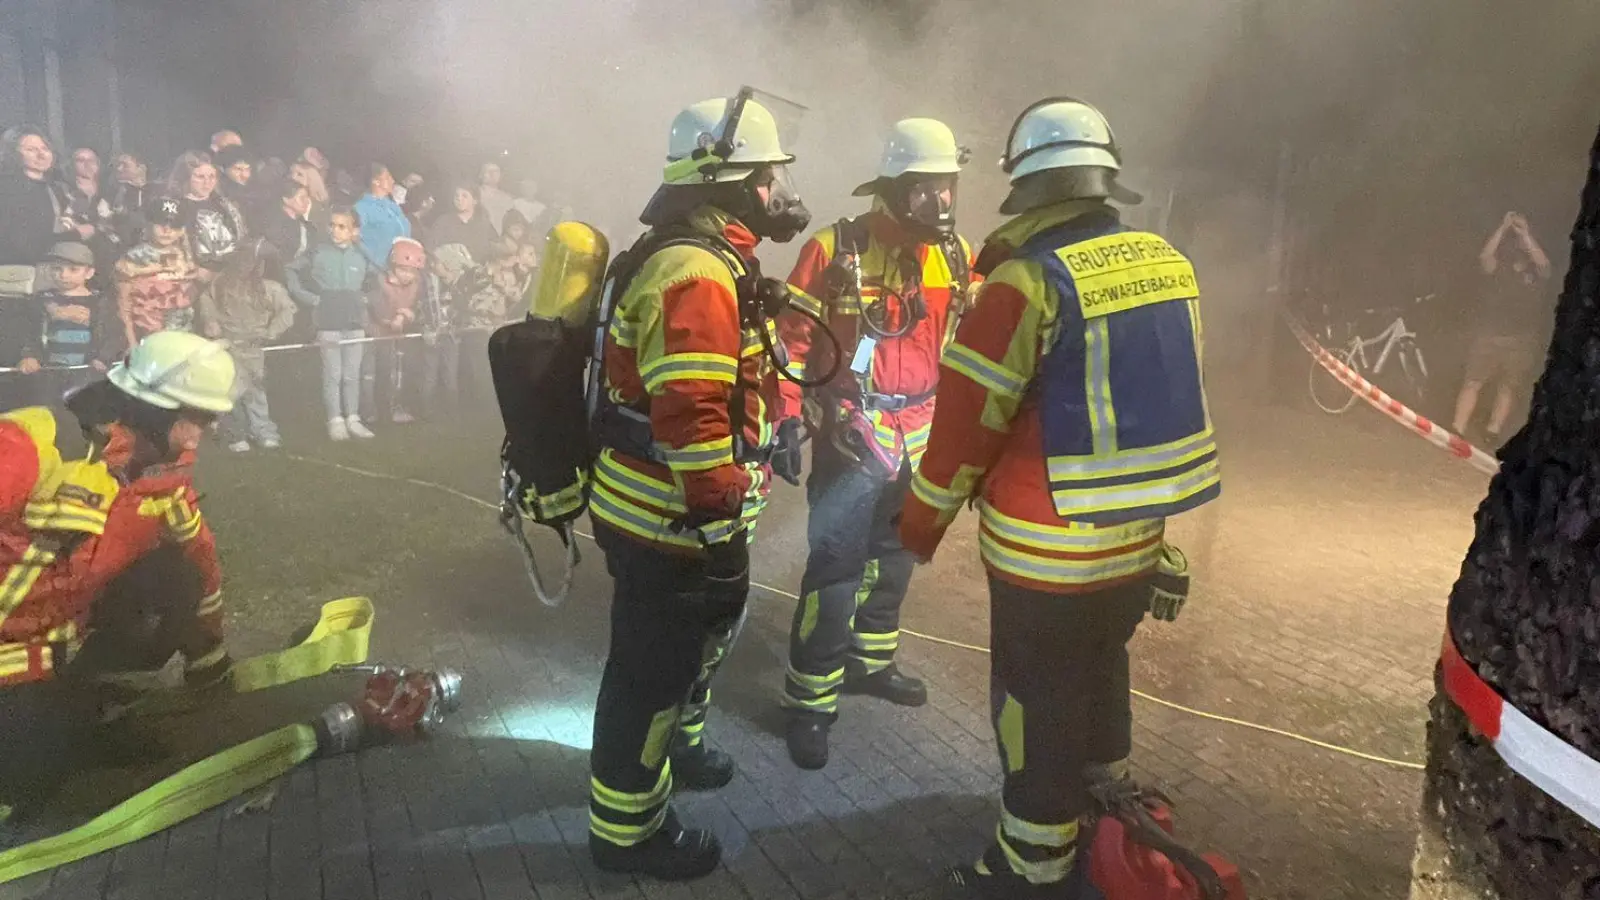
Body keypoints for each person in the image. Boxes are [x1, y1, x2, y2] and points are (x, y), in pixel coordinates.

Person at [898, 98, 1219, 897]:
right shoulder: (1167, 265)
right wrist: (1162, 541)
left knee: (1034, 704)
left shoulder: (1023, 283)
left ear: (1028, 189)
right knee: (1101, 672)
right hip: (1136, 543)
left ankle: (1029, 862)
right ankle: (1101, 812)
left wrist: (918, 521)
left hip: (1044, 556)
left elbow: (967, 426)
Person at [579, 93, 809, 881]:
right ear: (735, 180)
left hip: (662, 513)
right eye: (772, 173)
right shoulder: (697, 272)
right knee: (649, 675)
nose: (781, 187)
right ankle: (626, 833)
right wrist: (718, 527)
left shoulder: (697, 257)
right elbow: (693, 416)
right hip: (668, 521)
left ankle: (671, 756)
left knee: (673, 661)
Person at [775, 118, 975, 770]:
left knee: (895, 559)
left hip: (920, 436)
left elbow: (967, 347)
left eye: (948, 187)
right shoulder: (835, 249)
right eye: (927, 189)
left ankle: (871, 663)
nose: (941, 203)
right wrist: (783, 418)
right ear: (893, 187)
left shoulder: (954, 254)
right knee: (835, 572)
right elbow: (791, 341)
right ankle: (809, 702)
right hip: (853, 436)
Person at [0, 330, 236, 822]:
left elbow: (199, 556)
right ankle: (54, 724)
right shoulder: (36, 443)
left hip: (58, 647)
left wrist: (208, 655)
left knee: (176, 576)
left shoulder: (164, 470)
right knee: (30, 783)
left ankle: (83, 701)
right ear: (148, 407)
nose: (200, 436)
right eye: (193, 419)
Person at [1451, 210, 1555, 446]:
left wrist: (1525, 233)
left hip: (1521, 339)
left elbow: (1545, 265)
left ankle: (1492, 431)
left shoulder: (1535, 272)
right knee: (1473, 381)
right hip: (1490, 335)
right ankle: (1457, 428)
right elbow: (1484, 258)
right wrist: (1503, 227)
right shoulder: (1501, 267)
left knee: (1508, 387)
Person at [286, 206, 377, 441]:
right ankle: (335, 419)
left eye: (342, 226)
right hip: (328, 320)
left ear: (354, 230)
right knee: (333, 373)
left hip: (355, 320)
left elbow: (381, 274)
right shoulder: (318, 251)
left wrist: (366, 299)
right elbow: (291, 270)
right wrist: (309, 298)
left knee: (352, 374)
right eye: (333, 225)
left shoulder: (361, 253)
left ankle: (353, 418)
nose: (335, 231)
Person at [196, 237, 296, 451]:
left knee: (255, 390)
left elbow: (287, 311)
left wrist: (271, 332)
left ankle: (262, 430)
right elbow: (206, 300)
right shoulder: (221, 283)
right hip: (227, 344)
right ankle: (235, 433)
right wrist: (211, 320)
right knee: (230, 391)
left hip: (253, 346)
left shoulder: (269, 288)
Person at [5, 242, 121, 421]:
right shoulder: (41, 300)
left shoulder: (101, 302)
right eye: (57, 269)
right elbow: (29, 332)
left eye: (73, 269)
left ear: (89, 272)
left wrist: (104, 358)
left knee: (84, 413)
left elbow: (113, 333)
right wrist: (30, 355)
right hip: (49, 371)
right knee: (46, 413)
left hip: (86, 372)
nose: (63, 275)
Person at [114, 196, 201, 347]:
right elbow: (123, 304)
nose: (167, 230)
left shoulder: (187, 257)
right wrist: (131, 342)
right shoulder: (133, 258)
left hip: (183, 336)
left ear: (182, 230)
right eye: (161, 223)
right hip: (147, 337)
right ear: (148, 224)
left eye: (174, 225)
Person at [368, 237, 425, 426]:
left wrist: (408, 315)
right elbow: (377, 308)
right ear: (393, 266)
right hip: (379, 335)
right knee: (382, 372)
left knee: (401, 372)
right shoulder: (379, 282)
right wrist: (394, 318)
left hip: (400, 335)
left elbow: (417, 307)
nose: (407, 275)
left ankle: (396, 406)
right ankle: (378, 410)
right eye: (403, 269)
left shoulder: (417, 285)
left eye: (412, 271)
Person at [0, 125, 72, 266]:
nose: (42, 155)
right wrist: (77, 234)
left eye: (45, 149)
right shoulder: (7, 188)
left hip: (53, 264)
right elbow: (22, 239)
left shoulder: (55, 188)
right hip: (18, 269)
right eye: (31, 150)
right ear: (13, 153)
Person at [415, 243, 470, 421]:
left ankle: (452, 412)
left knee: (450, 375)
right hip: (433, 335)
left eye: (438, 262)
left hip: (452, 336)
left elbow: (463, 308)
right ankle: (426, 412)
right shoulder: (427, 282)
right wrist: (425, 328)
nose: (433, 265)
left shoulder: (458, 283)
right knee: (429, 375)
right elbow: (421, 307)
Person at [168, 152, 247, 274]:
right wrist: (196, 270)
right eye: (200, 177)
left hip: (232, 270)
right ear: (185, 177)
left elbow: (241, 239)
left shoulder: (224, 205)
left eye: (212, 176)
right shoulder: (173, 207)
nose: (207, 182)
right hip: (194, 274)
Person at [353, 164, 411, 270]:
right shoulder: (362, 207)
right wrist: (375, 262)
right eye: (388, 177)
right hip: (376, 271)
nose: (392, 181)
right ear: (376, 181)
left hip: (399, 269)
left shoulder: (393, 207)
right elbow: (355, 239)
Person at [427, 183, 496, 262]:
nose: (459, 199)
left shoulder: (484, 225)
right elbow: (430, 249)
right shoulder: (444, 221)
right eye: (456, 196)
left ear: (475, 200)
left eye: (464, 196)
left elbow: (494, 250)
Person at [259, 181, 315, 266]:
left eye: (307, 198)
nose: (307, 202)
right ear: (286, 199)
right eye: (302, 198)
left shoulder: (303, 221)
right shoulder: (273, 222)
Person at [108, 153, 150, 247]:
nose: (119, 169)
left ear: (141, 168)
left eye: (125, 165)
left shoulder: (153, 192)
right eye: (118, 165)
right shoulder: (112, 192)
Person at [478, 162, 515, 235]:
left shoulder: (507, 198)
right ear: (481, 175)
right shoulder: (474, 195)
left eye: (496, 172)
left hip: (501, 238)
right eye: (488, 171)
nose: (492, 174)